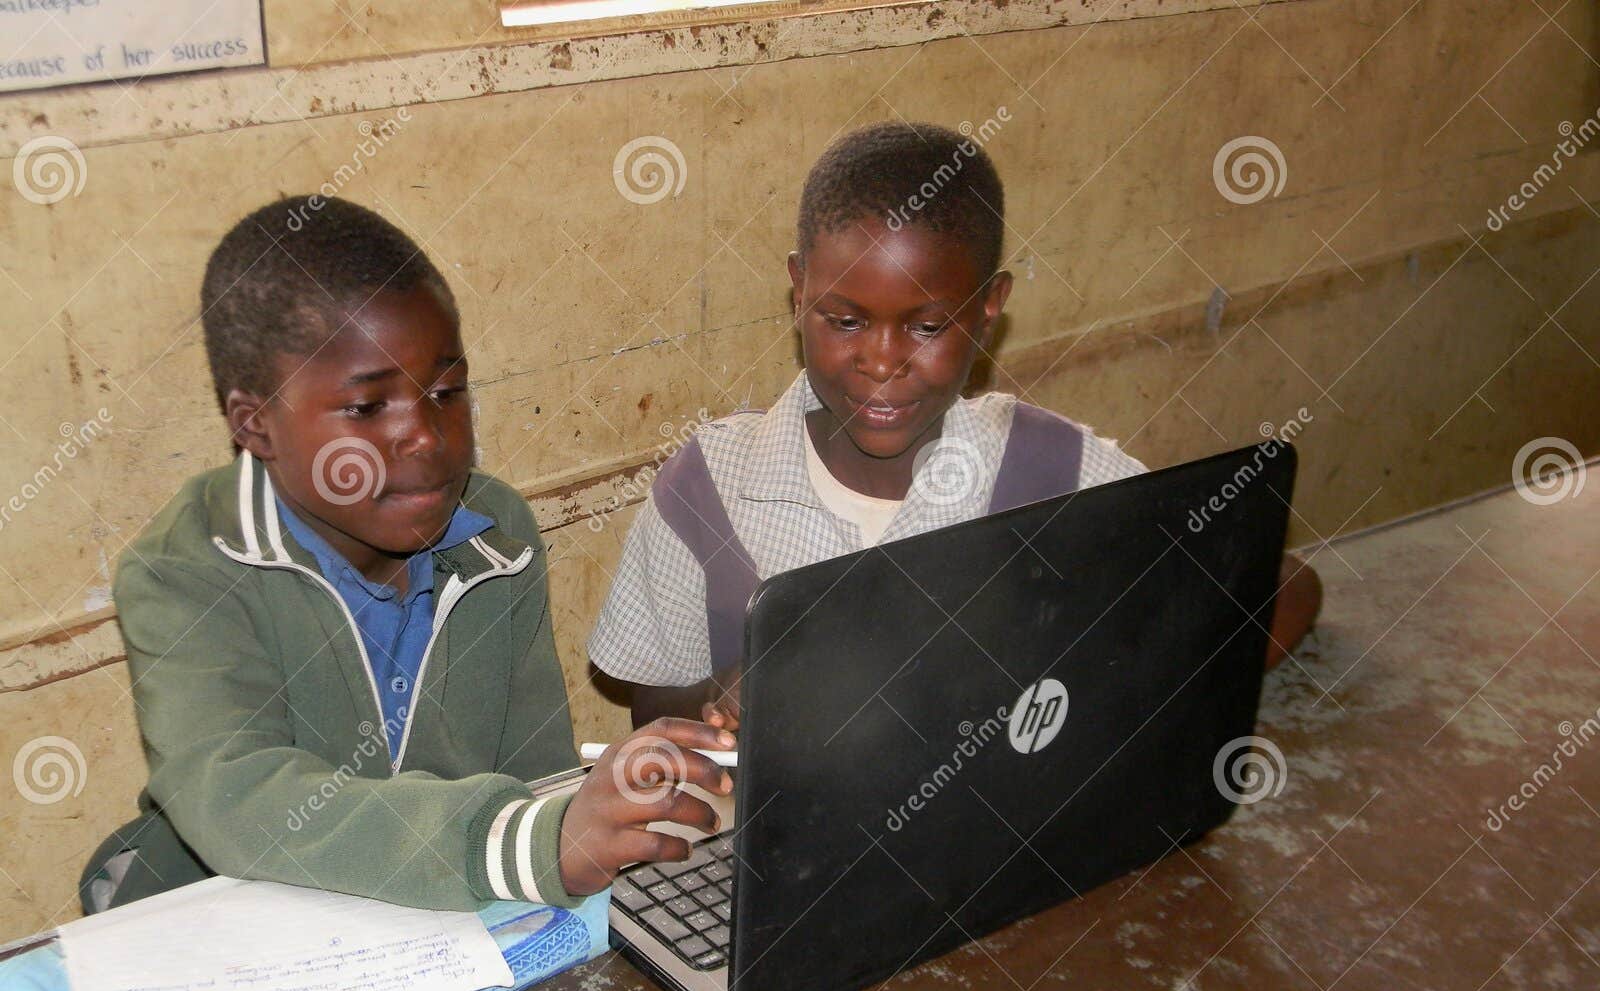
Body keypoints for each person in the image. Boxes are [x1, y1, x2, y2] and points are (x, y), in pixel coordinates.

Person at [80, 196, 726, 915]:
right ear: (255, 424)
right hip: (246, 932)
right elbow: (244, 801)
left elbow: (536, 778)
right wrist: (526, 844)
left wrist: (596, 813)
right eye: (366, 409)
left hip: (447, 932)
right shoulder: (187, 569)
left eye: (446, 392)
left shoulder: (494, 533)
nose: (424, 436)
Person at [588, 121, 1320, 730]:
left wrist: (1123, 690)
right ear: (798, 286)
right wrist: (726, 698)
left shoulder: (1053, 474)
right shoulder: (708, 491)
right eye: (844, 320)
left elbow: (1289, 588)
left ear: (989, 307)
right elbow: (652, 701)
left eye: (929, 325)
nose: (881, 361)